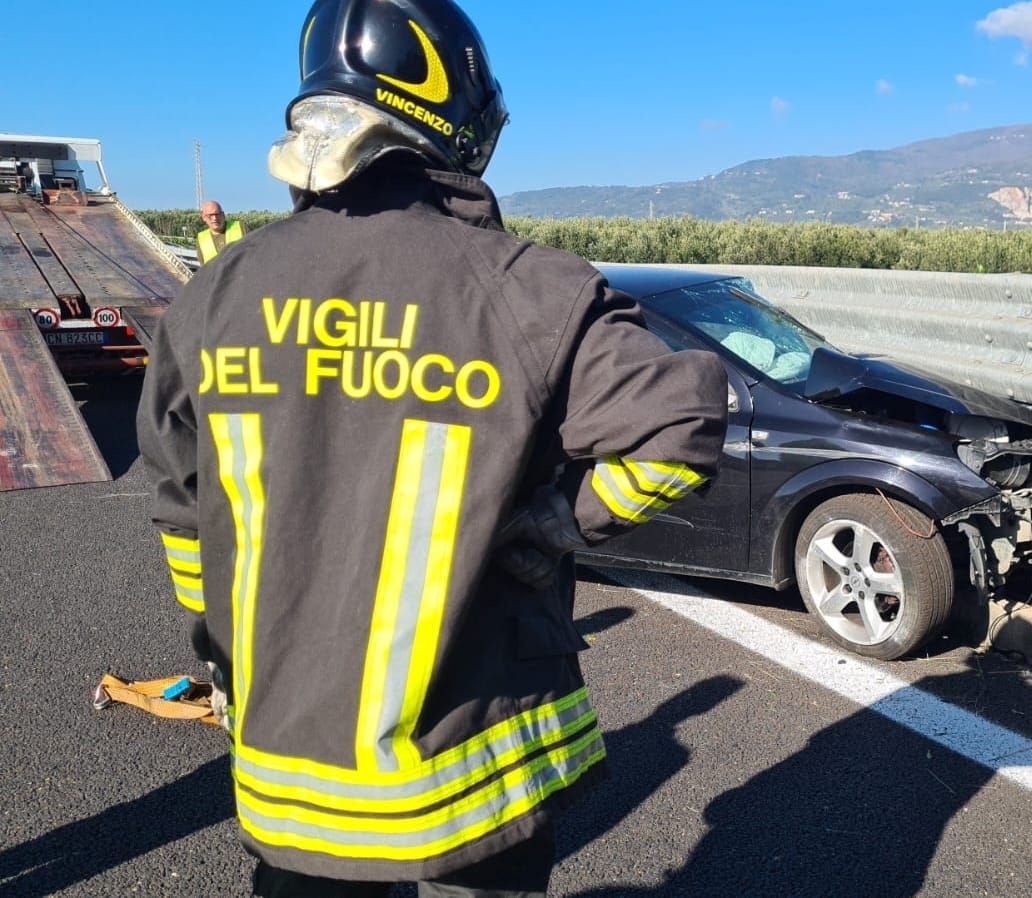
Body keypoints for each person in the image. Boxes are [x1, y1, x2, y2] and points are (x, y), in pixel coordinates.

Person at [135, 1, 728, 894]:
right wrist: (553, 526)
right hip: (474, 787)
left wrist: (225, 652)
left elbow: (184, 517)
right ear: (453, 115)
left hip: (289, 789)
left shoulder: (213, 298)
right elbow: (679, 433)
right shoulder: (531, 291)